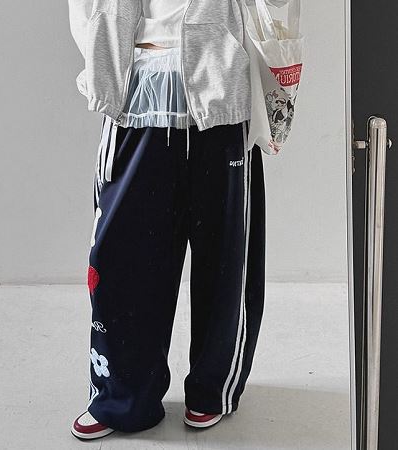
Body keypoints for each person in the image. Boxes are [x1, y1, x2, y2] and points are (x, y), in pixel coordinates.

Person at [67, 0, 289, 440]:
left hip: (222, 85)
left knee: (226, 258)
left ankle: (213, 388)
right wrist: (99, 59)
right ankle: (121, 393)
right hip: (137, 84)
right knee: (120, 256)